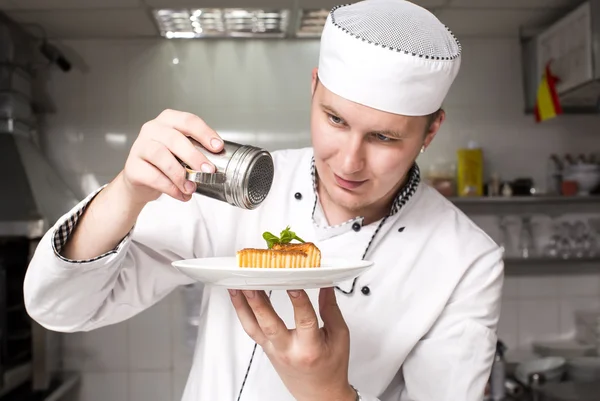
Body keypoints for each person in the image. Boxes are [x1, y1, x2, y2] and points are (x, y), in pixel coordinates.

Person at [23, 1, 504, 400]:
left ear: (431, 131)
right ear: (313, 88)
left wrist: (328, 393)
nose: (350, 162)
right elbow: (61, 307)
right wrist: (126, 193)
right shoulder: (239, 186)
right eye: (335, 120)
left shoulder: (466, 260)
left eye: (382, 137)